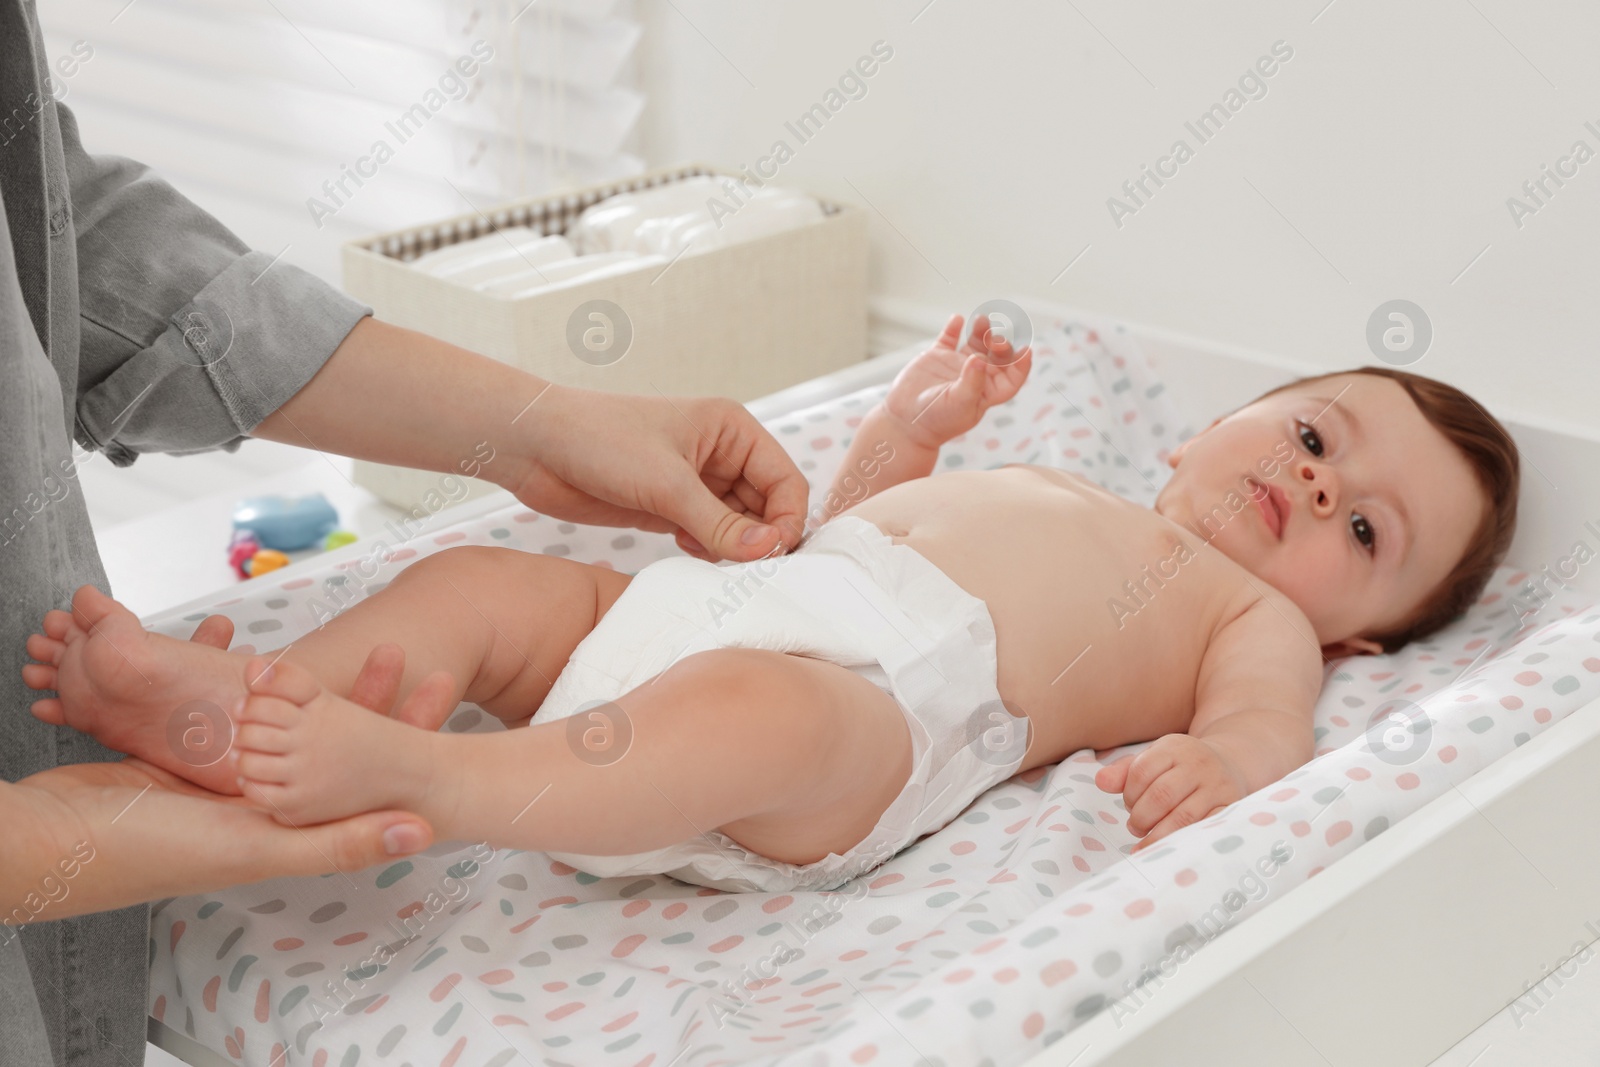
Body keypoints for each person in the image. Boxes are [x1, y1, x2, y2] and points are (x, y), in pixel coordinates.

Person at [27, 313, 1520, 901]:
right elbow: (860, 525)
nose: (1319, 489)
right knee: (489, 584)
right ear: (1201, 435)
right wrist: (913, 429)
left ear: (1359, 634)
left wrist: (1236, 762)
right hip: (752, 595)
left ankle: (439, 777)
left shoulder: (1251, 621)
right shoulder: (1065, 474)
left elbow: (1263, 728)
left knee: (762, 710)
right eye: (1315, 438)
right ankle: (241, 705)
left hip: (883, 720)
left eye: (1369, 529)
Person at [0, 8, 808, 1065]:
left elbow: (56, 226)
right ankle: (364, 753)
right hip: (835, 620)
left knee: (765, 721)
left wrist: (541, 428)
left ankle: (281, 724)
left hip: (883, 672)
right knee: (479, 592)